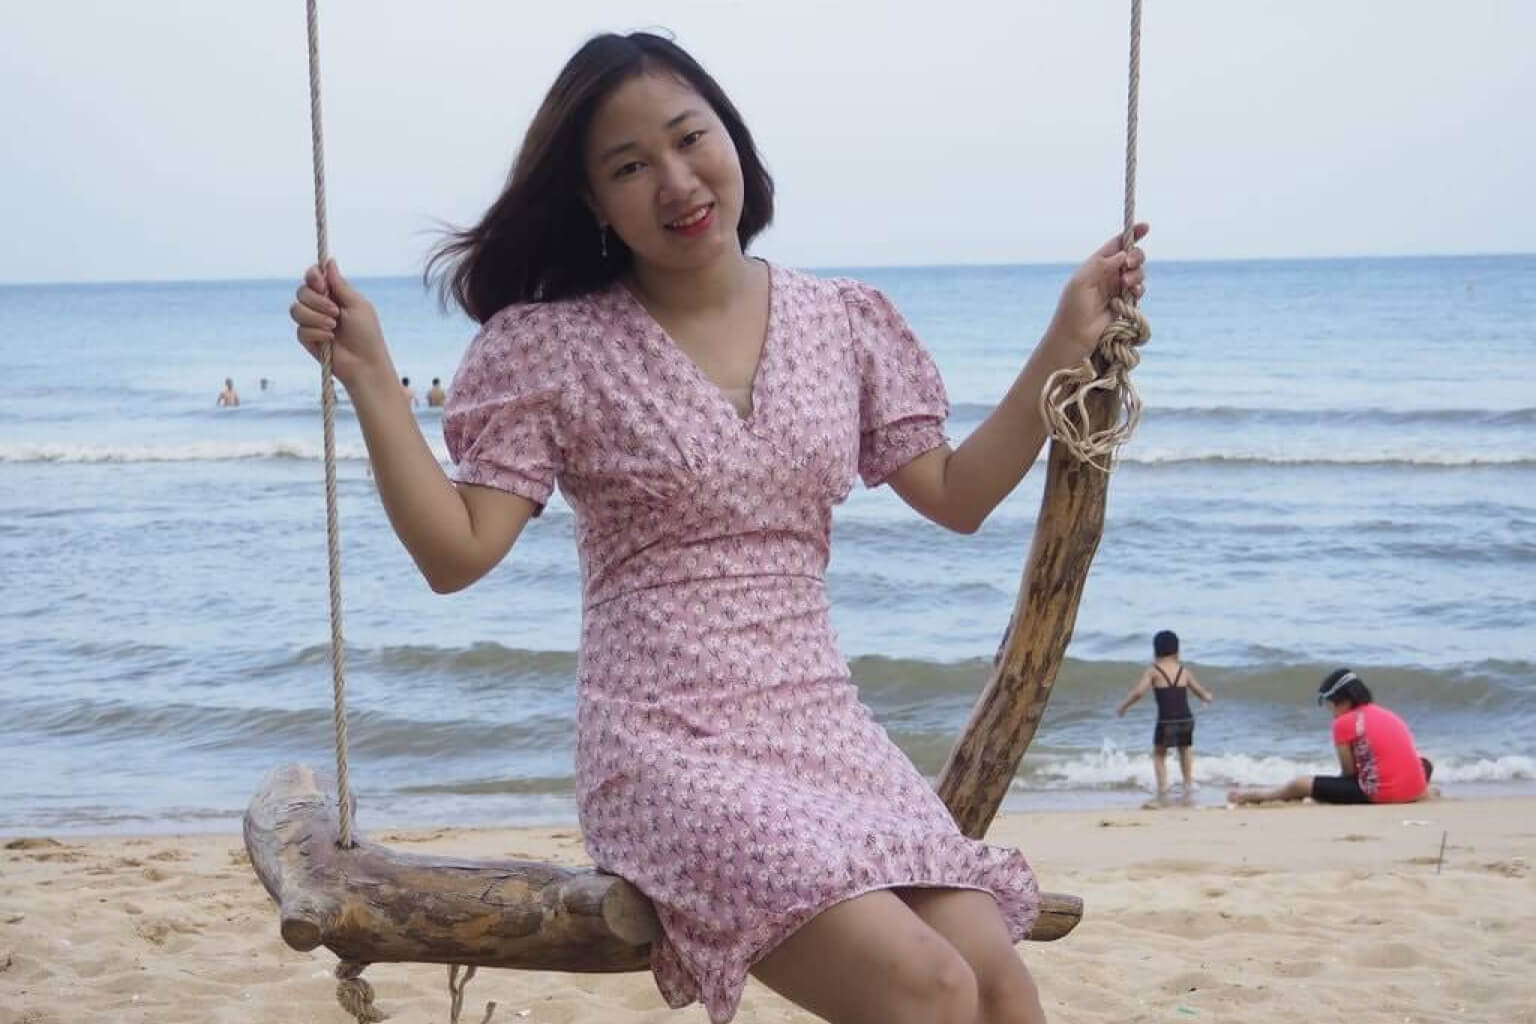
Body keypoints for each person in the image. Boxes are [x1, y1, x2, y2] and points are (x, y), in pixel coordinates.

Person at [287, 31, 1146, 1024]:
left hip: (824, 730)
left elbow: (956, 493)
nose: (676, 180)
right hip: (662, 749)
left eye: (691, 139)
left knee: (998, 981)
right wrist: (370, 380)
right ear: (594, 204)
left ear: (731, 136)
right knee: (931, 987)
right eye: (629, 167)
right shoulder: (551, 349)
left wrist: (1066, 336)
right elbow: (456, 552)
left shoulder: (843, 321)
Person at [1228, 669, 1433, 806]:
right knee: (1424, 763)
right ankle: (1423, 790)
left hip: (1382, 794)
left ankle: (1253, 795)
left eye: (1329, 704)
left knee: (1301, 784)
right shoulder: (1386, 714)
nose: (1330, 711)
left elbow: (1348, 773)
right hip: (1415, 788)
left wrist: (1327, 791)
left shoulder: (1342, 723)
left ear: (1343, 701)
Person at [1116, 630, 1213, 800]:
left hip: (1166, 720)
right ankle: (1188, 783)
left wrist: (1124, 706)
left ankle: (1163, 788)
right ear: (1177, 651)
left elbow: (1139, 692)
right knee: (1184, 750)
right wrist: (1207, 697)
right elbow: (1200, 692)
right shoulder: (1184, 671)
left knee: (1159, 754)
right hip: (1186, 718)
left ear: (1155, 651)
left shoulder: (1153, 671)